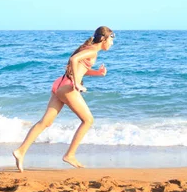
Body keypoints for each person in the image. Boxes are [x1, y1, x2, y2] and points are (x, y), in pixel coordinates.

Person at [12, 26, 115, 172]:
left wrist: (97, 73)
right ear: (104, 39)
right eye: (111, 39)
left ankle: (20, 151)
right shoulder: (92, 51)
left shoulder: (89, 48)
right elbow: (74, 59)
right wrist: (76, 83)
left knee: (45, 122)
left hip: (60, 84)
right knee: (88, 120)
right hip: (68, 87)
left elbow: (80, 69)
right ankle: (70, 155)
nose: (112, 43)